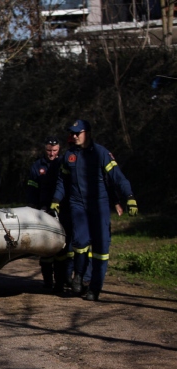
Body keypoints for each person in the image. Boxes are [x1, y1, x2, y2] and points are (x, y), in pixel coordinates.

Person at [52, 119, 138, 301]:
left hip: (99, 207)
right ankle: (80, 276)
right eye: (72, 133)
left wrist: (129, 197)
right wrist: (56, 199)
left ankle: (94, 288)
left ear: (88, 133)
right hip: (77, 206)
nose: (74, 136)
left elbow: (117, 177)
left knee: (101, 249)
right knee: (80, 244)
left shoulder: (101, 153)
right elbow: (62, 181)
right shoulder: (69, 156)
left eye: (78, 133)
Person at [26, 136, 74, 293]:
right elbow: (32, 188)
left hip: (62, 209)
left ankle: (63, 280)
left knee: (63, 248)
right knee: (46, 247)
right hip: (44, 209)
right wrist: (32, 206)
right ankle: (48, 280)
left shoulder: (63, 164)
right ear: (44, 149)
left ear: (59, 150)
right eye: (49, 150)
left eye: (54, 151)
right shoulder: (37, 166)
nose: (51, 154)